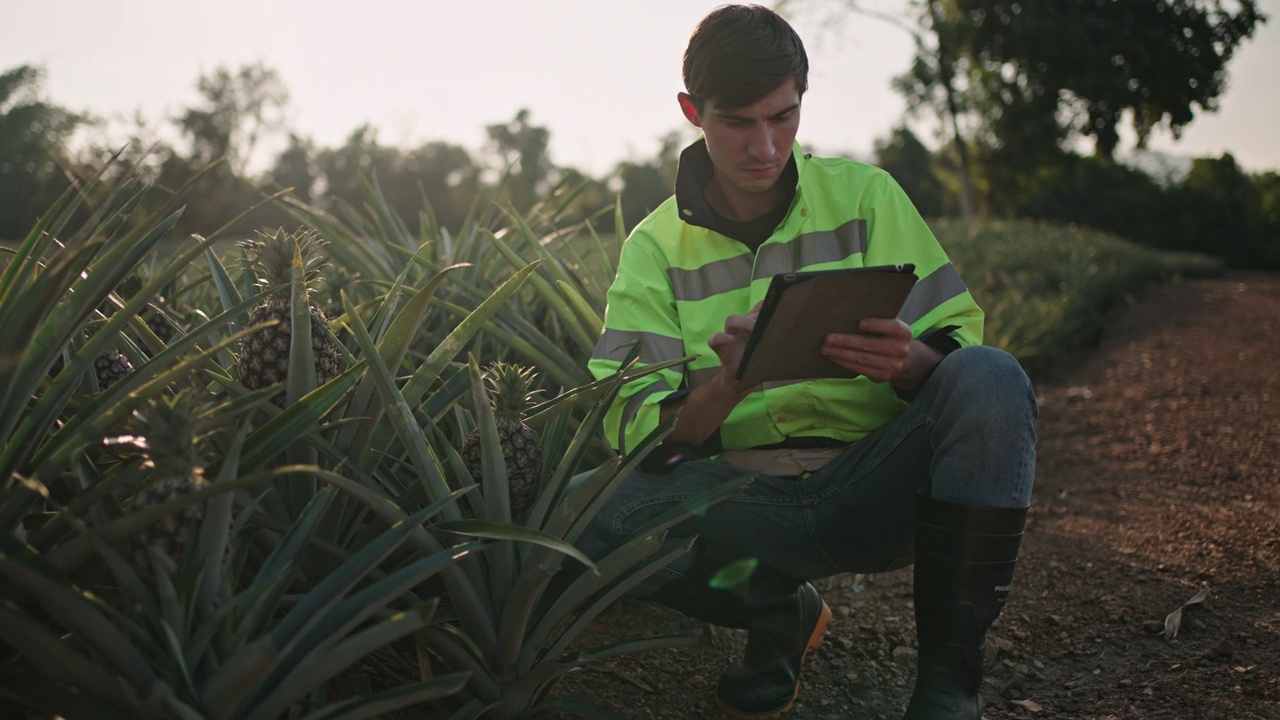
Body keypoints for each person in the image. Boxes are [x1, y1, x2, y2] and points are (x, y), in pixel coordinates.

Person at [579, 5, 1038, 719]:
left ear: (800, 100)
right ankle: (776, 615)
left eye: (783, 117)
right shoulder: (652, 249)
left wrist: (909, 361)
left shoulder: (867, 197)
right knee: (587, 513)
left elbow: (962, 346)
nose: (765, 146)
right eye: (738, 121)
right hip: (740, 504)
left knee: (993, 377)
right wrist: (728, 386)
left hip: (875, 487)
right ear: (692, 112)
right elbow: (639, 441)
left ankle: (948, 689)